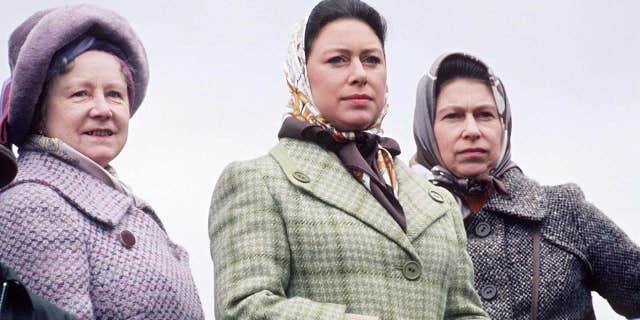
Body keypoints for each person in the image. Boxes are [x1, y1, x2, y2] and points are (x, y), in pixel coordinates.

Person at [209, 1, 489, 319]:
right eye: (338, 60)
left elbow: (466, 313)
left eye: (371, 60)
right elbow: (242, 308)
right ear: (301, 71)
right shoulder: (260, 181)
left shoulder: (436, 200)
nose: (359, 74)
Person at [0, 5, 204, 319]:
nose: (102, 109)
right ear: (39, 108)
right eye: (80, 94)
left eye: (114, 94)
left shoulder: (124, 205)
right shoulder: (33, 204)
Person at [412, 52, 640, 319]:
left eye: (485, 114)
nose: (472, 130)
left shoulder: (565, 211)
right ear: (427, 127)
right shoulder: (407, 222)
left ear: (503, 123)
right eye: (453, 116)